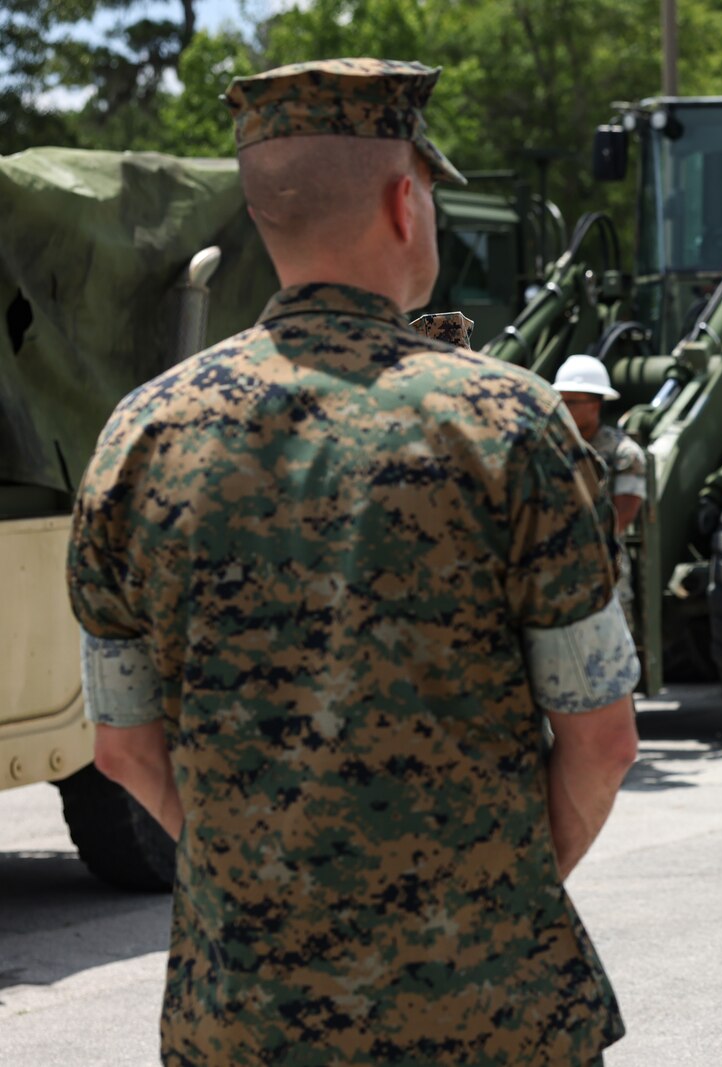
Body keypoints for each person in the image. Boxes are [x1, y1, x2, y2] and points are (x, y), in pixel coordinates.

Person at [68, 58, 638, 1065]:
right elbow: (600, 737)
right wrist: (480, 903)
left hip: (241, 1017)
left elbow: (121, 747)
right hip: (487, 1015)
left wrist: (265, 884)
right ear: (403, 200)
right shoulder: (507, 423)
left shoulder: (136, 437)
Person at [554, 354, 647, 621]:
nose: (562, 408)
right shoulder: (551, 448)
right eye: (559, 400)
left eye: (570, 402)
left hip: (602, 571)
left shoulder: (624, 455)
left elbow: (622, 517)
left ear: (595, 404)